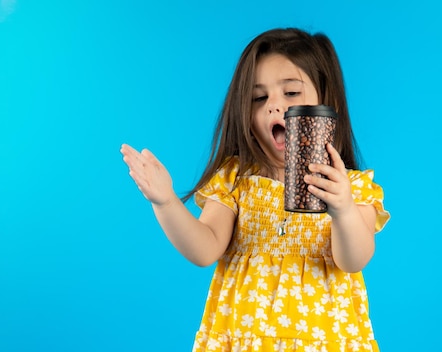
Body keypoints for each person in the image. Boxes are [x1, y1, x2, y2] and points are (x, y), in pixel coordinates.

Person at [120, 27, 390, 351]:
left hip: (324, 341)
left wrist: (343, 210)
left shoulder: (352, 187)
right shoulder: (235, 180)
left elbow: (354, 259)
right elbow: (205, 249)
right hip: (244, 340)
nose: (274, 106)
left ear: (325, 104)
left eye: (291, 93)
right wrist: (165, 202)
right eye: (259, 98)